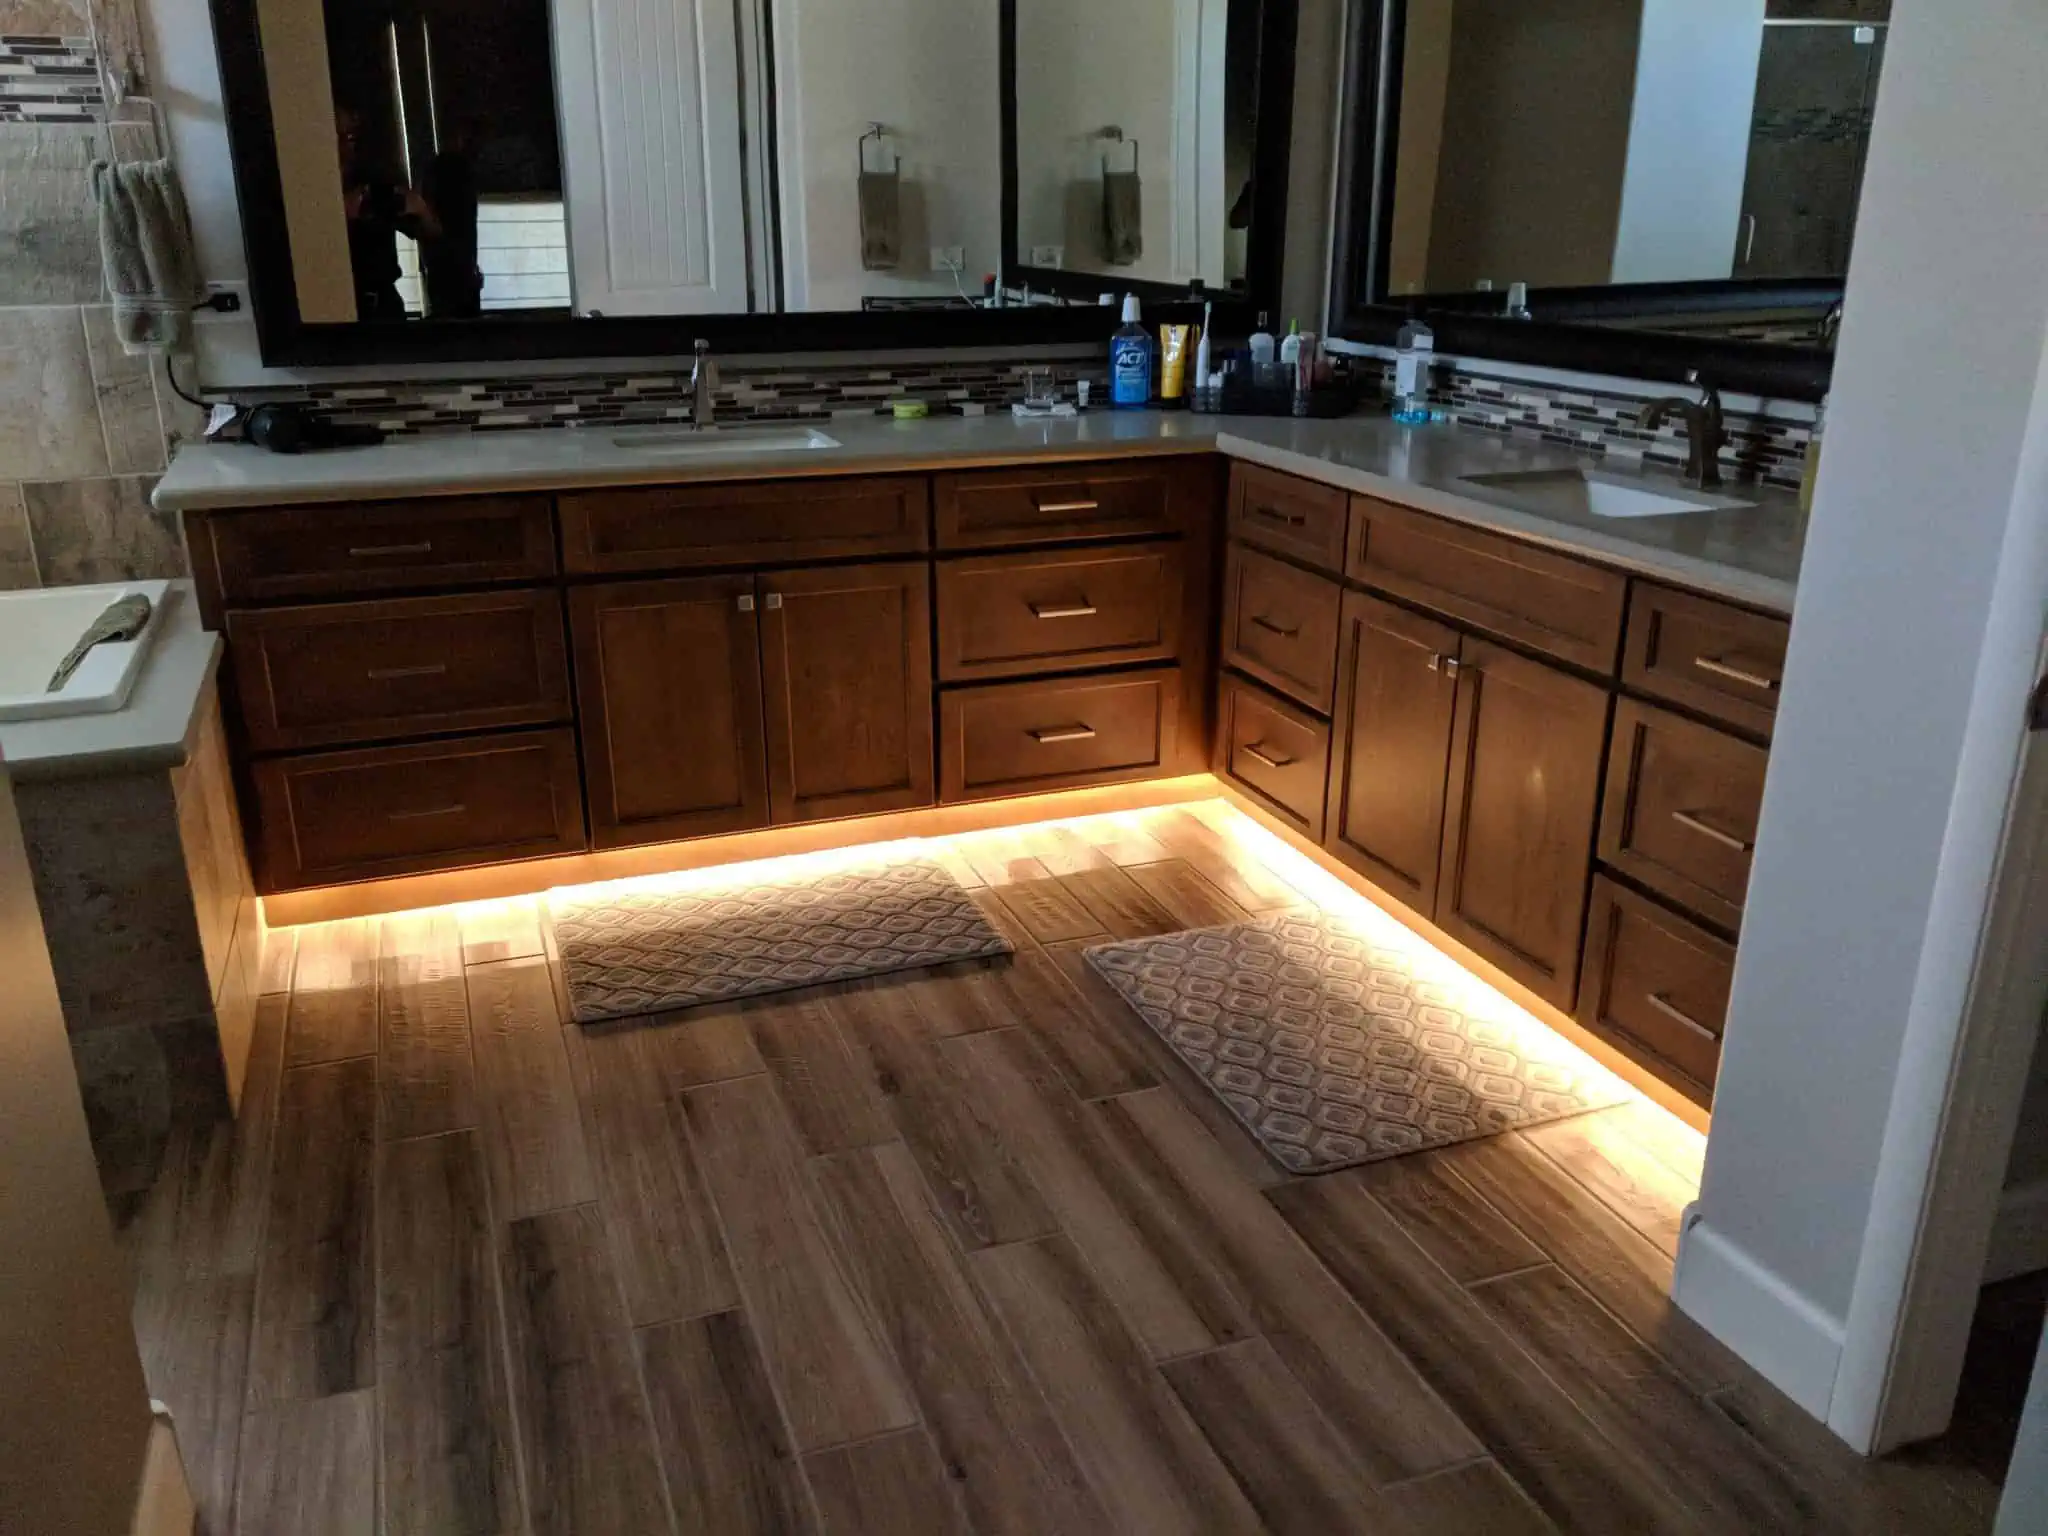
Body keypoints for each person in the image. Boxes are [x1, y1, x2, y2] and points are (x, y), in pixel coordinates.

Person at [336, 106, 440, 320]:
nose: (345, 144)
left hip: (384, 302)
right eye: (338, 136)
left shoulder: (374, 182)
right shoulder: (310, 194)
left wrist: (419, 208)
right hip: (338, 300)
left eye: (350, 136)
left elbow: (433, 234)